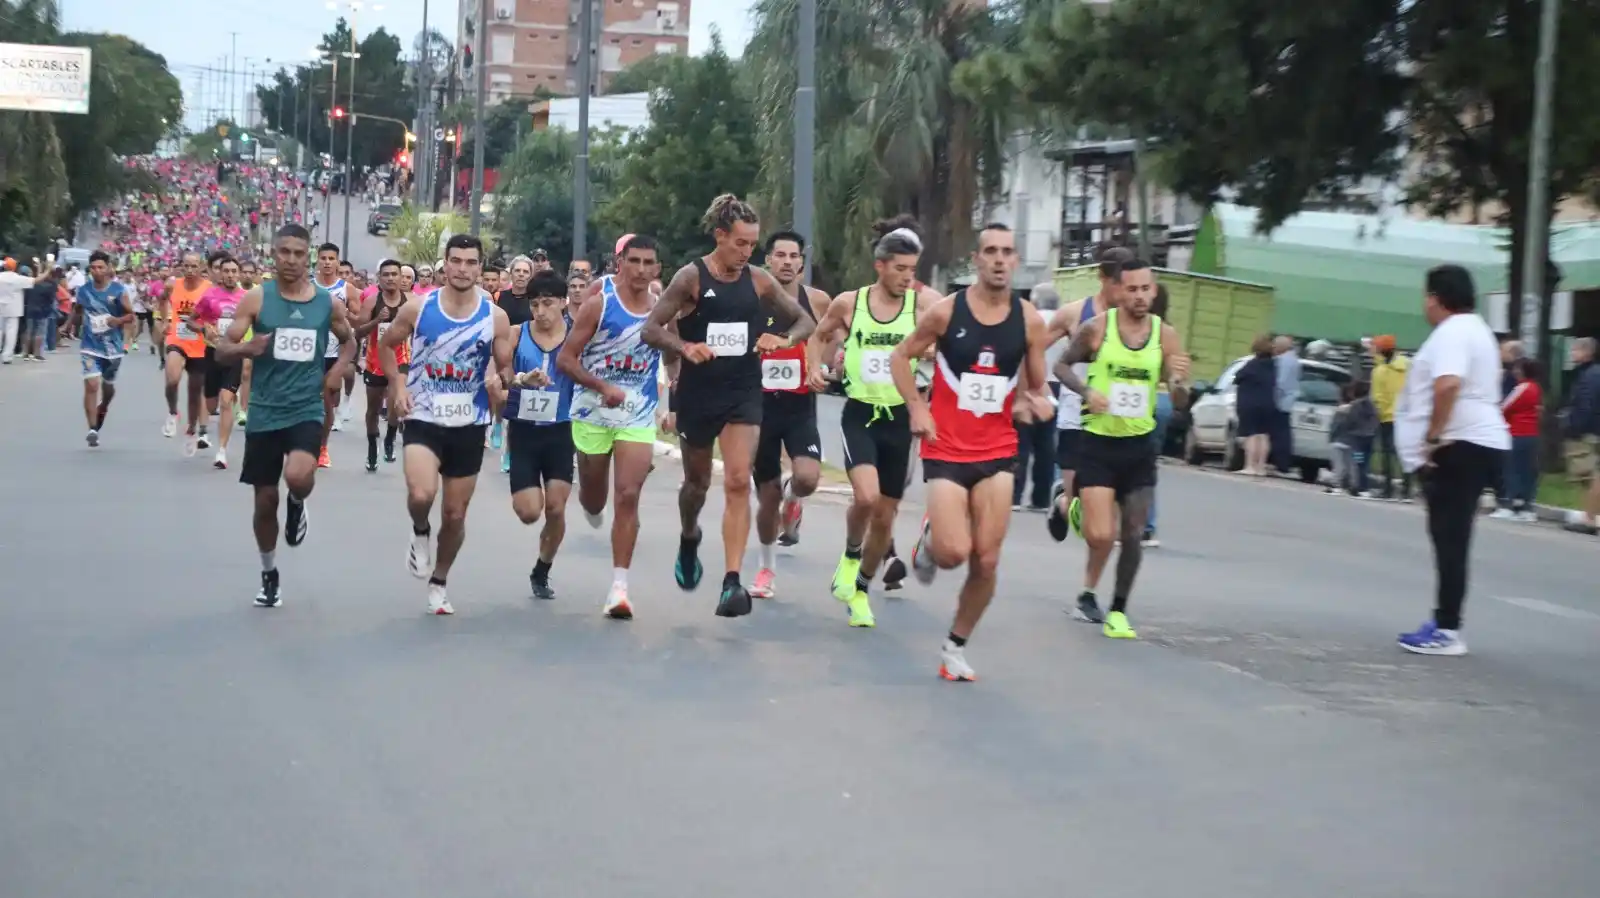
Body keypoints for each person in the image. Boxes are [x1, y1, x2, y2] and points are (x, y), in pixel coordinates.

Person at [642, 195, 816, 618]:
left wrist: (784, 340)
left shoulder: (758, 281)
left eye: (753, 244)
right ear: (720, 236)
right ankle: (689, 537)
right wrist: (685, 346)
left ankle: (732, 582)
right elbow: (651, 329)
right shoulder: (691, 278)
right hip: (699, 395)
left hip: (743, 392)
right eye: (740, 243)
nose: (747, 252)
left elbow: (805, 321)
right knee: (697, 485)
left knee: (739, 480)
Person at [891, 223, 1052, 681]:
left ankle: (954, 646)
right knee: (953, 554)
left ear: (1016, 261)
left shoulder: (1029, 321)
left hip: (998, 448)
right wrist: (917, 407)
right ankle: (930, 542)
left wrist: (1031, 402)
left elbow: (1035, 385)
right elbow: (901, 358)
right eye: (991, 252)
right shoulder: (945, 313)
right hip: (945, 446)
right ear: (977, 260)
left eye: (1007, 252)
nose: (1000, 259)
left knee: (987, 559)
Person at [216, 224, 358, 608]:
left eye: (299, 253)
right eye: (284, 252)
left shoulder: (326, 303)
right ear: (273, 254)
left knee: (297, 475)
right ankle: (269, 572)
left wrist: (336, 370)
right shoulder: (256, 299)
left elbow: (350, 341)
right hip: (264, 409)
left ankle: (298, 500)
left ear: (308, 255)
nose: (291, 260)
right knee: (264, 502)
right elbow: (221, 350)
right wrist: (248, 349)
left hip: (305, 408)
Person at [1052, 259, 1190, 638]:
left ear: (1154, 291)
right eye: (1132, 290)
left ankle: (1117, 609)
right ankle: (1070, 502)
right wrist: (1087, 391)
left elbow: (1178, 399)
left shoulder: (1166, 336)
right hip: (1098, 443)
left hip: (1140, 445)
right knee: (1100, 536)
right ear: (1119, 291)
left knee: (1132, 531)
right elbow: (1061, 367)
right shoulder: (1097, 329)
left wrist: (1179, 382)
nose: (1141, 297)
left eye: (1147, 289)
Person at [380, 233, 512, 616]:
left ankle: (439, 580)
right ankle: (420, 529)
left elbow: (503, 368)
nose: (463, 269)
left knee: (454, 516)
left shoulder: (494, 317)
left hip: (469, 423)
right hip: (423, 415)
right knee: (422, 495)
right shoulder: (419, 308)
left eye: (472, 263)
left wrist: (503, 382)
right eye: (456, 261)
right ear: (445, 264)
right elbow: (387, 345)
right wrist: (398, 384)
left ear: (481, 268)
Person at [807, 227, 931, 627]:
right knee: (866, 497)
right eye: (899, 269)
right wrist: (813, 367)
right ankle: (849, 553)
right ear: (880, 266)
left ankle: (861, 589)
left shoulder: (922, 305)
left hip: (898, 419)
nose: (907, 277)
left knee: (886, 515)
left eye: (912, 270)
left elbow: (946, 342)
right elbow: (818, 335)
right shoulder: (850, 302)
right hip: (860, 413)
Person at [1394, 265, 1509, 655]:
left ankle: (1447, 630)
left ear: (1435, 298)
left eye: (1426, 296)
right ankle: (1445, 622)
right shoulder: (1475, 330)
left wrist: (1433, 435)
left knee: (1450, 538)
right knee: (1450, 537)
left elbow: (1448, 384)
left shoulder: (1454, 332)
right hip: (1476, 441)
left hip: (1461, 444)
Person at [555, 235, 663, 620]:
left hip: (637, 412)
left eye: (647, 262)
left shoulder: (661, 311)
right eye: (633, 261)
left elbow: (674, 352)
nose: (639, 269)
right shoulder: (600, 305)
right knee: (595, 499)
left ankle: (619, 587)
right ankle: (589, 500)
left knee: (628, 495)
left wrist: (675, 402)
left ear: (656, 269)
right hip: (592, 410)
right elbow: (566, 359)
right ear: (621, 264)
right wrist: (601, 386)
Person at [749, 230, 830, 598]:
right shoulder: (754, 297)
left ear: (802, 261)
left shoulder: (817, 299)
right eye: (778, 255)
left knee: (809, 478)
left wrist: (821, 368)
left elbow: (824, 339)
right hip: (759, 407)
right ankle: (766, 569)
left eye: (793, 255)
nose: (786, 261)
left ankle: (793, 498)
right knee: (765, 499)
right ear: (768, 260)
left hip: (799, 406)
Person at [1044, 246, 1131, 541]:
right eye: (1117, 282)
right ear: (1102, 278)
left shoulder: (1137, 319)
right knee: (1079, 509)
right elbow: (1034, 347)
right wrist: (1032, 386)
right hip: (1075, 414)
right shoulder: (1074, 313)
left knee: (1106, 507)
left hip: (1116, 419)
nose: (1123, 291)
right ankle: (1062, 501)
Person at [505, 270, 577, 600]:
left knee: (557, 509)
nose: (541, 312)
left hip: (562, 431)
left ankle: (542, 569)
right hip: (523, 430)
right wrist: (520, 379)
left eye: (548, 303)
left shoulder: (578, 336)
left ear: (563, 303)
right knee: (529, 512)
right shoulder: (517, 334)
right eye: (535, 305)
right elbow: (499, 377)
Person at [69, 251, 135, 446]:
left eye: (100, 267)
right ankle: (92, 428)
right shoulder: (83, 290)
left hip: (113, 348)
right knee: (91, 385)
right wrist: (67, 327)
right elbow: (78, 310)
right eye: (93, 268)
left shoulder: (118, 290)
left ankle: (104, 406)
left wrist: (118, 320)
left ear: (108, 269)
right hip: (90, 345)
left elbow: (131, 316)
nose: (96, 271)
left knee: (107, 388)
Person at [192, 256, 247, 468]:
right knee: (211, 403)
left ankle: (222, 451)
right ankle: (209, 421)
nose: (231, 275)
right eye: (226, 271)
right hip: (213, 353)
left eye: (234, 271)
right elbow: (191, 321)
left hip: (234, 354)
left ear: (239, 274)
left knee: (226, 400)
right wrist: (203, 328)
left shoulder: (246, 298)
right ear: (220, 274)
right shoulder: (209, 296)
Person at [158, 251, 214, 455]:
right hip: (177, 339)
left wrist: (211, 327)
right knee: (172, 378)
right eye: (186, 266)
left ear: (201, 268)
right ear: (181, 266)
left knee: (194, 392)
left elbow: (216, 310)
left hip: (199, 344)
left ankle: (191, 430)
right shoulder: (173, 284)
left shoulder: (208, 288)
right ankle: (173, 412)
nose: (190, 270)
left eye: (194, 266)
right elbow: (162, 300)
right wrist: (165, 321)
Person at [356, 259, 410, 470]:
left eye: (394, 274)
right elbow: (358, 332)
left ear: (401, 277)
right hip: (375, 361)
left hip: (401, 360)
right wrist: (377, 320)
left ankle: (390, 438)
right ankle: (372, 446)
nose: (390, 278)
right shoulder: (371, 301)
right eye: (385, 274)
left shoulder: (410, 302)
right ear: (379, 278)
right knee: (373, 408)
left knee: (397, 402)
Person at [1491, 357, 1542, 522]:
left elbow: (1505, 407)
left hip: (1517, 433)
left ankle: (1508, 505)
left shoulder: (1522, 387)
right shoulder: (1536, 388)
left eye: (1517, 369)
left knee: (1511, 469)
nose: (1514, 372)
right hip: (1531, 434)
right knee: (1527, 471)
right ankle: (1527, 507)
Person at [311, 243, 348, 465]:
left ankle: (323, 448)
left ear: (337, 262)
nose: (327, 262)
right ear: (318, 260)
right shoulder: (308, 287)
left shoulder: (346, 289)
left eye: (331, 258)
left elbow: (355, 320)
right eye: (323, 258)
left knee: (326, 403)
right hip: (310, 353)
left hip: (333, 353)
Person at [1562, 338, 1600, 534]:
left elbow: (1586, 405)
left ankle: (1589, 519)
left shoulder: (1589, 376)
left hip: (1587, 433)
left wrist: (1574, 428)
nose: (1572, 353)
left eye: (1575, 349)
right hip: (1592, 430)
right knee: (1589, 477)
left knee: (1590, 477)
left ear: (1587, 352)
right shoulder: (1592, 373)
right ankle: (1589, 515)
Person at [1370, 334, 1412, 501]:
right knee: (1391, 454)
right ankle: (1396, 490)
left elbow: (1377, 395)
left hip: (1396, 416)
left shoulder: (1393, 368)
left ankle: (1399, 490)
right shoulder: (1386, 368)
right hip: (1391, 416)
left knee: (1399, 454)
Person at [1233, 335, 1278, 476]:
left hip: (1250, 403)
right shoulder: (1273, 366)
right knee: (1264, 435)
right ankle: (1261, 467)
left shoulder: (1253, 364)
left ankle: (1250, 466)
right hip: (1268, 403)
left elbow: (1238, 377)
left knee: (1251, 435)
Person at [1270, 335, 1300, 473]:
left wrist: (1272, 398)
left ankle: (1281, 463)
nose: (1273, 348)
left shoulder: (1284, 361)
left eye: (1275, 346)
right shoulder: (1293, 359)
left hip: (1281, 401)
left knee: (1280, 434)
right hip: (1288, 400)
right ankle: (1282, 462)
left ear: (1282, 347)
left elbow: (1280, 382)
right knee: (1283, 433)